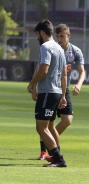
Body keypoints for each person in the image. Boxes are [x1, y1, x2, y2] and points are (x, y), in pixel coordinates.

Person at [37, 24, 85, 160]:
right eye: (57, 36)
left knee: (67, 120)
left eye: (62, 36)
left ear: (68, 36)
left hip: (64, 89)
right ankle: (46, 150)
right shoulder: (53, 48)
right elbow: (40, 67)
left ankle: (48, 142)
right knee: (46, 123)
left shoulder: (75, 51)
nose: (59, 39)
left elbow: (82, 71)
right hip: (51, 89)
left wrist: (79, 84)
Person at [27, 19, 67, 167]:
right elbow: (64, 74)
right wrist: (63, 95)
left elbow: (43, 69)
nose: (37, 37)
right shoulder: (59, 48)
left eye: (37, 34)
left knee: (41, 127)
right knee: (50, 126)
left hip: (47, 92)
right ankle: (56, 155)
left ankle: (59, 159)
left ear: (42, 33)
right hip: (56, 92)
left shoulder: (46, 47)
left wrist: (32, 83)